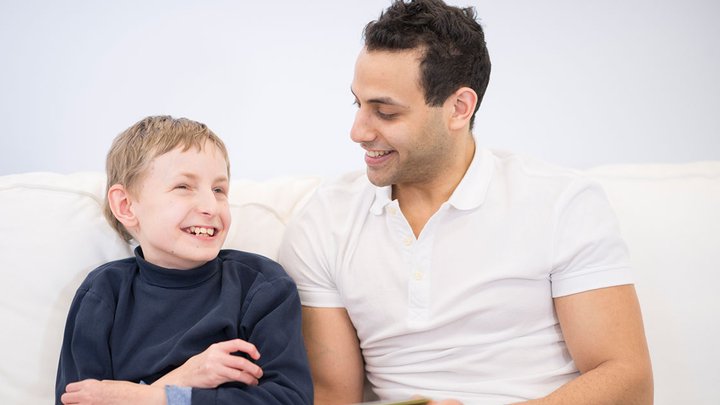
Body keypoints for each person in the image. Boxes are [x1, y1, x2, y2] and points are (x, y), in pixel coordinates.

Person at [277, 0, 653, 404]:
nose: (358, 131)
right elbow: (333, 393)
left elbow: (628, 382)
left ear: (459, 108)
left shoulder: (561, 203)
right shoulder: (324, 220)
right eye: (358, 104)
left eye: (385, 112)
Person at [56, 116, 313, 405]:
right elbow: (82, 400)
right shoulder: (103, 292)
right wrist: (180, 381)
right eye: (183, 187)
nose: (210, 206)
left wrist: (155, 398)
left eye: (219, 190)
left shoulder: (261, 284)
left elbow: (288, 399)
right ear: (126, 206)